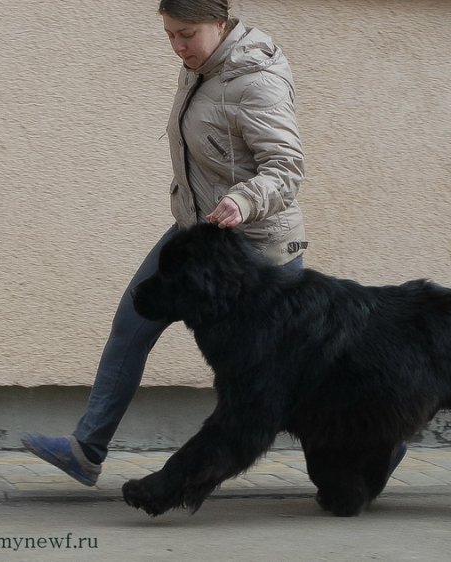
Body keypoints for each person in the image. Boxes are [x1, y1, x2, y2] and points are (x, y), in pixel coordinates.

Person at [22, 0, 405, 486]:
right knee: (132, 324)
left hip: (260, 244)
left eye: (187, 34)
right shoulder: (202, 67)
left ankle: (379, 447)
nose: (178, 46)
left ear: (221, 24)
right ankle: (86, 449)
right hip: (200, 234)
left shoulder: (256, 79)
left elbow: (286, 169)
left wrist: (244, 201)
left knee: (290, 374)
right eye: (169, 35)